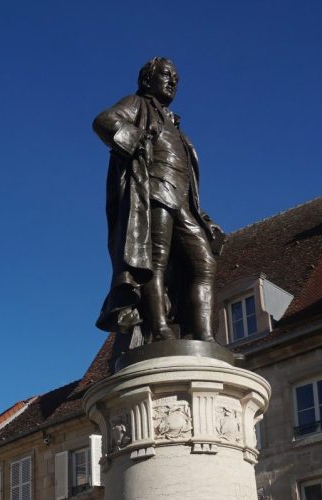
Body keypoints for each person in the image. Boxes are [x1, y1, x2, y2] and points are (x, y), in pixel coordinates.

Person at [93, 57, 223, 344]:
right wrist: (136, 138)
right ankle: (159, 329)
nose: (173, 80)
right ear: (147, 79)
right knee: (155, 261)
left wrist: (203, 217)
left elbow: (187, 179)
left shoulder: (175, 125)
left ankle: (203, 336)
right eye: (166, 74)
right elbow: (104, 121)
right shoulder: (137, 104)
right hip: (152, 192)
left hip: (182, 201)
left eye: (176, 77)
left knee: (204, 264)